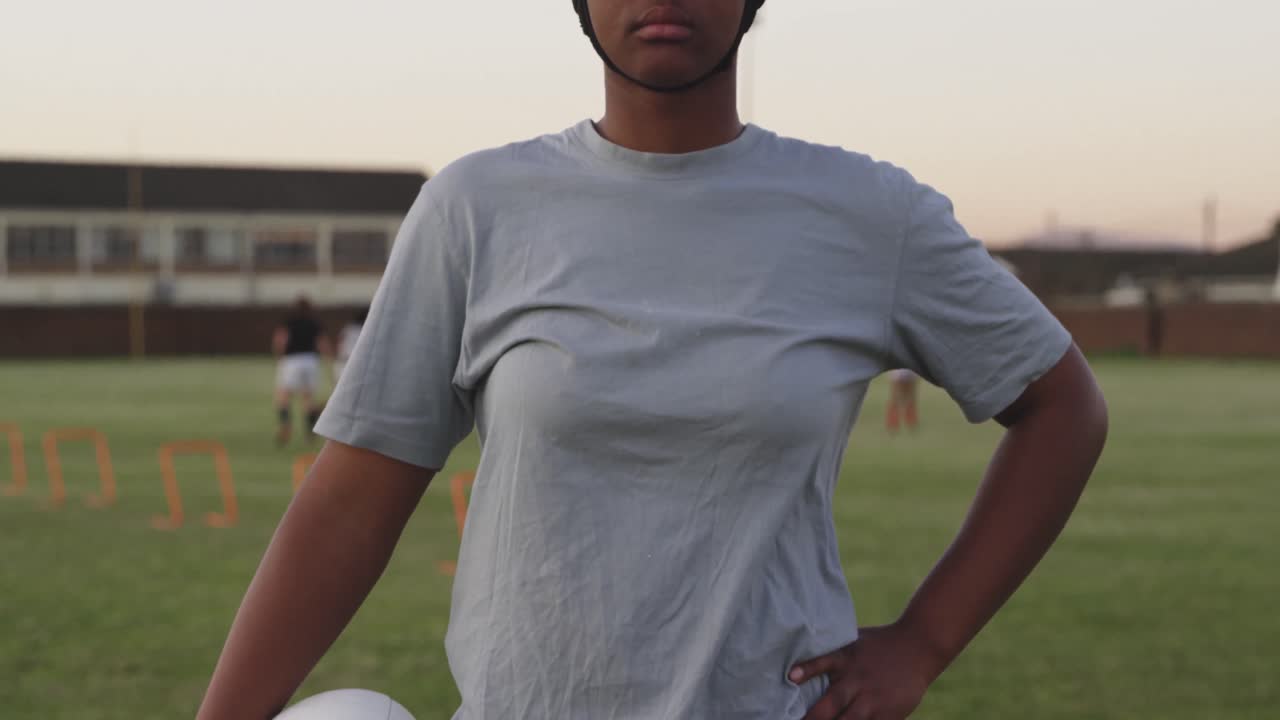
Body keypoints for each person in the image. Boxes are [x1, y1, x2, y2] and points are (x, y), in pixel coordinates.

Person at [198, 3, 1109, 719]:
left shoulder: (870, 214)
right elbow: (352, 502)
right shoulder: (476, 207)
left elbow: (1063, 408)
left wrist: (923, 641)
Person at [271, 295, 331, 447]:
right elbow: (322, 343)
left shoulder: (288, 321)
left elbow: (280, 340)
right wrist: (328, 361)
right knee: (308, 398)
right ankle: (309, 433)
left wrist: (279, 357)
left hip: (291, 361)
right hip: (311, 361)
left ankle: (285, 425)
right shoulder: (314, 322)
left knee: (283, 396)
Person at [333, 307, 368, 383]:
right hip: (350, 361)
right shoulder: (363, 329)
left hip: (345, 360)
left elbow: (339, 342)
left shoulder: (348, 328)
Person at [886, 368, 920, 433]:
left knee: (911, 396)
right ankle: (893, 422)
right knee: (896, 396)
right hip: (898, 371)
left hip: (910, 370)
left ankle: (911, 421)